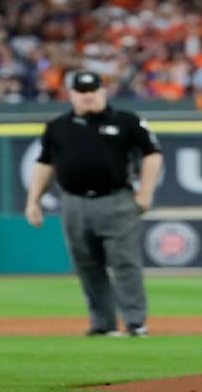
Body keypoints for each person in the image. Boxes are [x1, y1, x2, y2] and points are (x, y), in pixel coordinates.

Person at [25, 70, 163, 338]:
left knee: (125, 263)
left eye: (92, 90)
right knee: (87, 265)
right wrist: (34, 200)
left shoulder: (125, 121)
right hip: (74, 203)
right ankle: (103, 324)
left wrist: (145, 192)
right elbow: (44, 163)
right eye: (81, 91)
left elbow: (152, 154)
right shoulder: (57, 127)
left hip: (117, 200)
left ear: (103, 91)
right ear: (72, 94)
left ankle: (135, 323)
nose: (87, 96)